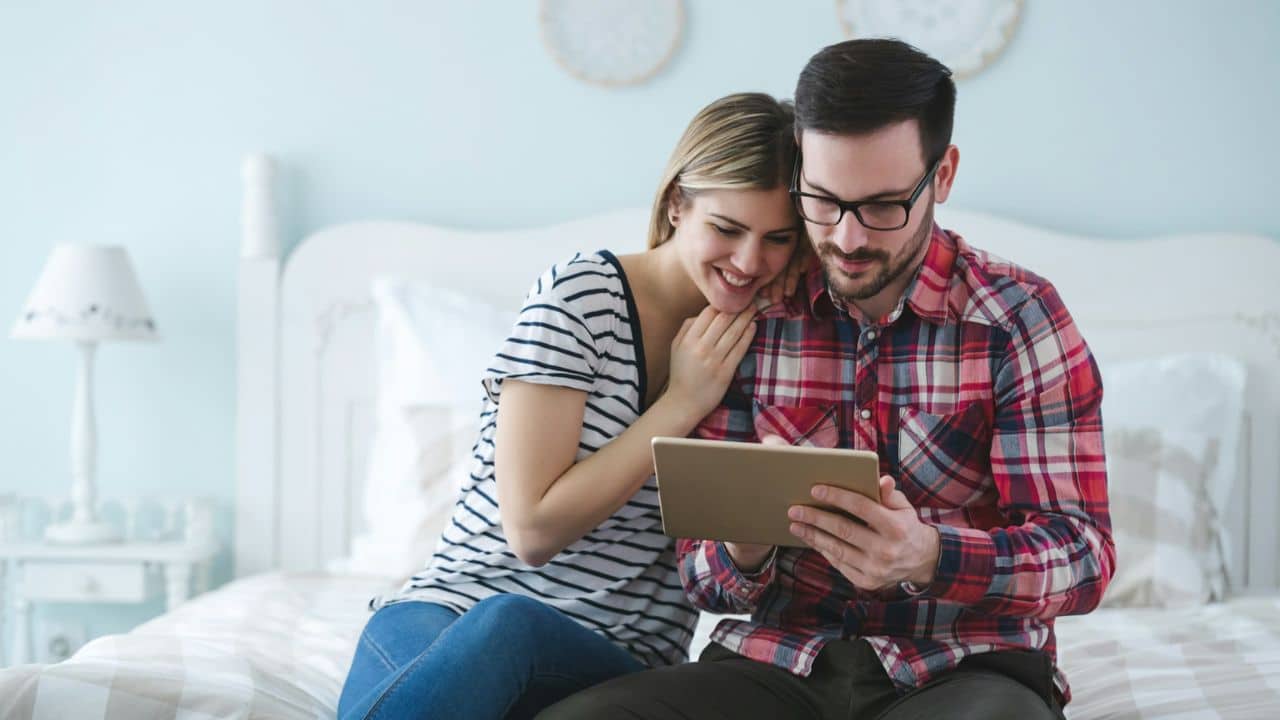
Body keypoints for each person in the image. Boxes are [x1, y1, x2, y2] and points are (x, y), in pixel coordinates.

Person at [538, 39, 1115, 720]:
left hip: (961, 669)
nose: (844, 238)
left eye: (881, 206)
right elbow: (698, 574)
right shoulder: (752, 312)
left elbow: (1083, 557)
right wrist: (740, 550)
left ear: (944, 174)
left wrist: (929, 555)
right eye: (821, 200)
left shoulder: (1017, 318)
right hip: (772, 666)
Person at [336, 92, 806, 720]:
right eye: (727, 229)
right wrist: (680, 403)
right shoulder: (585, 298)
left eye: (778, 239)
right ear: (675, 204)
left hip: (616, 660)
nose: (749, 262)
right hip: (452, 617)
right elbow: (531, 531)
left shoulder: (773, 340)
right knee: (507, 625)